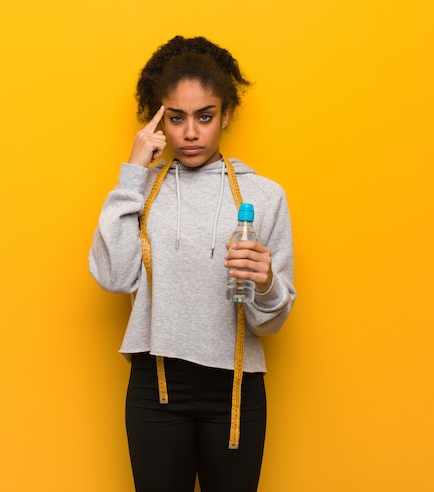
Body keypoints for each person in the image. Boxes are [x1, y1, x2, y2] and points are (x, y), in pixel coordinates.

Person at [88, 35, 296, 492]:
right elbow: (114, 277)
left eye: (205, 116)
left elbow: (271, 322)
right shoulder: (140, 190)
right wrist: (132, 172)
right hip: (155, 386)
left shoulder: (265, 196)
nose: (191, 132)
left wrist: (265, 284)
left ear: (225, 116)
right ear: (159, 120)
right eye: (176, 118)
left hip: (236, 390)